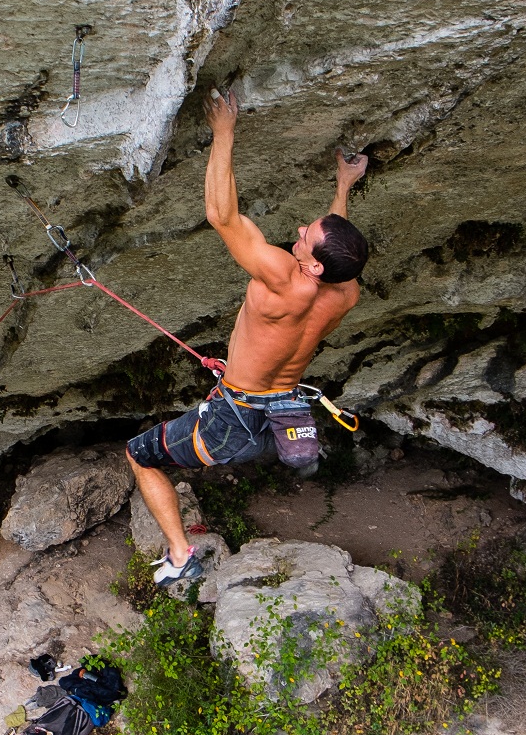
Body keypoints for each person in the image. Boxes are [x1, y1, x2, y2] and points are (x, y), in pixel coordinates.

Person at [126, 88, 370, 586]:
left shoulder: (285, 277)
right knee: (201, 427)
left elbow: (223, 216)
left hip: (234, 419)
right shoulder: (346, 293)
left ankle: (180, 554)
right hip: (277, 407)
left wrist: (224, 131)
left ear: (310, 263)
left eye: (303, 237)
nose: (298, 230)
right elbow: (339, 248)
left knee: (139, 454)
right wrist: (343, 184)